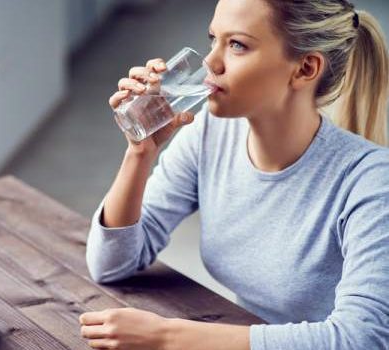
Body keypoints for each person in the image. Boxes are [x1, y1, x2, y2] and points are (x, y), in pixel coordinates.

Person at [78, 0, 389, 349]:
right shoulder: (210, 134)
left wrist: (167, 336)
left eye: (237, 44)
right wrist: (139, 152)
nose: (210, 62)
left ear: (305, 68)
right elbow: (110, 264)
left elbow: (362, 339)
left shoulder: (373, 182)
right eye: (213, 38)